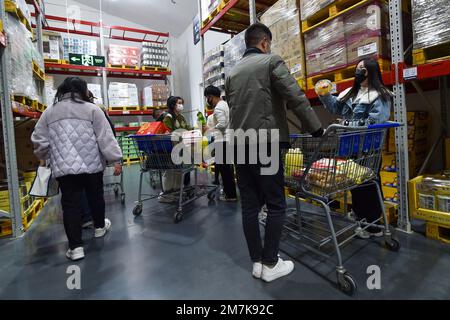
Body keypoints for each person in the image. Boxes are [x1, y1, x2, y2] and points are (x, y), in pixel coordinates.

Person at [225, 23, 323, 282]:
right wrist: (316, 129)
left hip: (239, 144)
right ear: (265, 43)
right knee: (276, 203)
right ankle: (270, 264)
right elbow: (295, 97)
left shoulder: (232, 72)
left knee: (249, 205)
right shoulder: (270, 62)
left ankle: (257, 262)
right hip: (266, 143)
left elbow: (234, 109)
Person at [31, 77, 123, 261]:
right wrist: (115, 159)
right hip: (92, 165)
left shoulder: (49, 112)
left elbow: (38, 140)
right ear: (83, 90)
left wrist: (47, 156)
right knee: (96, 196)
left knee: (70, 204)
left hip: (64, 168)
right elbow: (105, 138)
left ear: (62, 90)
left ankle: (75, 248)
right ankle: (99, 228)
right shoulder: (93, 110)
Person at [317, 57, 392, 239]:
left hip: (367, 149)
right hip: (349, 147)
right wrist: (324, 94)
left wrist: (347, 124)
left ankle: (373, 225)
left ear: (372, 72)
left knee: (368, 185)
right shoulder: (351, 92)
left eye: (363, 69)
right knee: (354, 184)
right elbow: (336, 108)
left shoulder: (380, 95)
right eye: (357, 68)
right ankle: (361, 218)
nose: (359, 72)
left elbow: (375, 121)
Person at [81, 91, 119, 229]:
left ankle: (85, 218)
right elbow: (108, 136)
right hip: (93, 159)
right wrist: (116, 160)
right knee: (94, 191)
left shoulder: (58, 111)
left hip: (72, 162)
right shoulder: (95, 112)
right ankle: (98, 224)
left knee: (77, 192)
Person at [204, 85, 237, 202]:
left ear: (210, 97)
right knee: (227, 169)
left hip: (222, 141)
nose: (207, 100)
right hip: (228, 140)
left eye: (207, 98)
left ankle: (230, 195)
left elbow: (222, 123)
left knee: (225, 171)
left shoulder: (218, 108)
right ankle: (231, 193)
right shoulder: (225, 104)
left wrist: (211, 128)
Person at [159, 96, 193, 202]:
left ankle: (177, 190)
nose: (181, 105)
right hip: (171, 147)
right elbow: (168, 132)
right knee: (170, 171)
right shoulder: (168, 117)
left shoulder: (181, 117)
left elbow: (187, 127)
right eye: (179, 103)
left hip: (182, 146)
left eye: (181, 103)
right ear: (173, 104)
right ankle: (166, 194)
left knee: (179, 169)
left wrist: (196, 129)